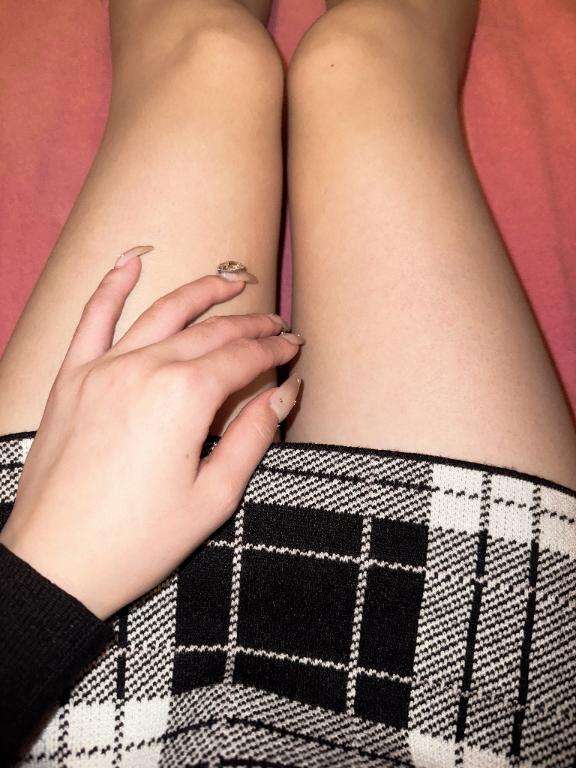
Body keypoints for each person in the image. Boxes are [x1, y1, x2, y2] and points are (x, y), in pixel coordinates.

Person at [1, 0, 575, 765]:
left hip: (37, 633)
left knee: (209, 54)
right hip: (458, 708)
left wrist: (43, 570)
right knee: (365, 60)